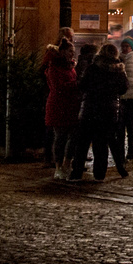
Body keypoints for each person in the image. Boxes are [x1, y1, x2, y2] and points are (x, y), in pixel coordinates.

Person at [73, 44, 129, 181]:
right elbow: (123, 89)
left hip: (90, 108)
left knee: (83, 142)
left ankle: (76, 172)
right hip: (109, 110)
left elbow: (82, 85)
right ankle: (99, 173)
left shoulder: (93, 68)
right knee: (101, 143)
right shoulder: (118, 70)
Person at [41, 37, 80, 180]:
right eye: (70, 51)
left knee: (73, 137)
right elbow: (58, 87)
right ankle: (58, 167)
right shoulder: (53, 67)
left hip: (71, 105)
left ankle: (66, 163)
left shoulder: (71, 67)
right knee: (60, 137)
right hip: (58, 105)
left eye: (73, 51)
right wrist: (76, 85)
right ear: (62, 51)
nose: (72, 54)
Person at [114, 36, 133, 166]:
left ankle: (131, 150)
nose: (125, 48)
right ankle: (120, 153)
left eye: (127, 46)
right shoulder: (117, 59)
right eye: (123, 46)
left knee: (130, 124)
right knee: (119, 126)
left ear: (132, 47)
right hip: (120, 96)